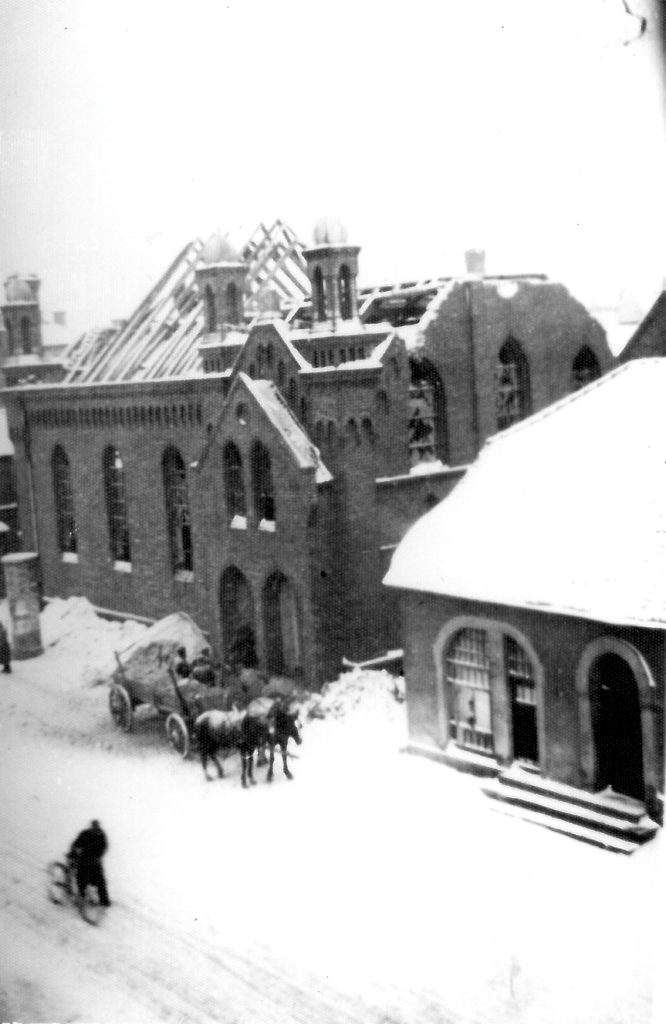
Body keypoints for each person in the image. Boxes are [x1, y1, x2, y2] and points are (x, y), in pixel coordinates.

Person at [68, 819, 111, 908]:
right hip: (93, 861)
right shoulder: (99, 834)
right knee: (99, 881)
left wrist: (73, 854)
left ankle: (82, 898)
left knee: (83, 880)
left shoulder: (89, 833)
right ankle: (104, 901)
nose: (94, 828)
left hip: (87, 861)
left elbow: (76, 844)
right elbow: (104, 847)